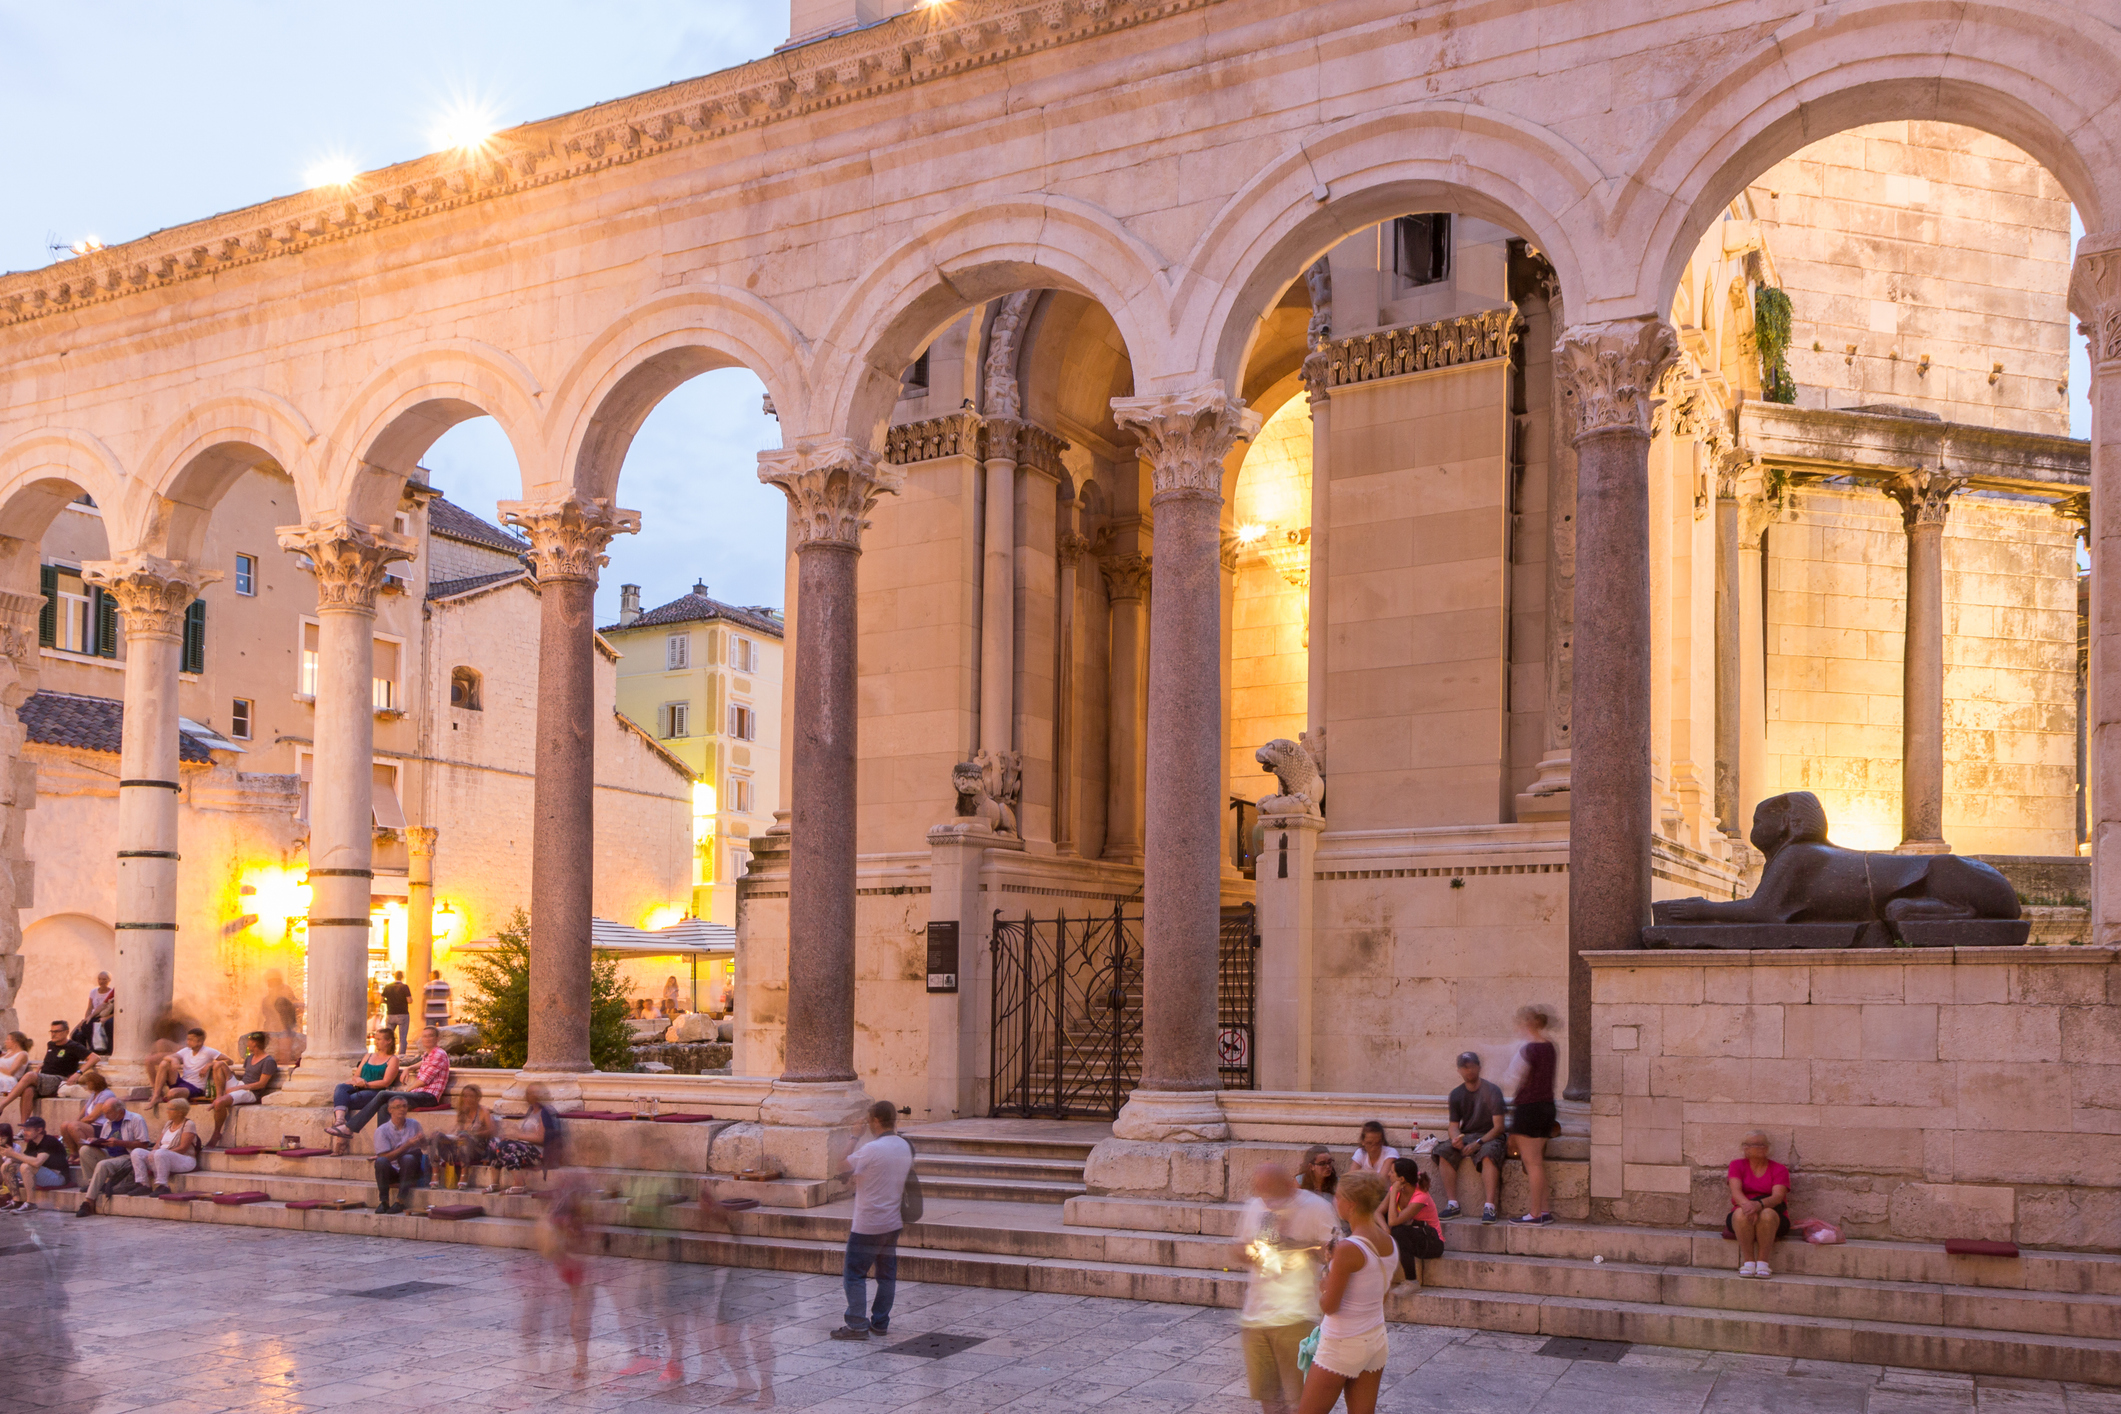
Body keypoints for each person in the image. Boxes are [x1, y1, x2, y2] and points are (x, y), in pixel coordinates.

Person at [1234, 1162, 1336, 1414]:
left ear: (1290, 1185)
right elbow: (1238, 1246)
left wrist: (1294, 1245)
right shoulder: (1256, 1206)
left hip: (1297, 1316)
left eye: (1271, 1192)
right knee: (1268, 1396)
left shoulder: (1316, 1208)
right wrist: (1249, 1254)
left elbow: (1335, 1252)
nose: (1266, 1200)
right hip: (1256, 1317)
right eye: (1260, 1192)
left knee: (1302, 1398)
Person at [1296, 1170, 1397, 1414]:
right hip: (1375, 1340)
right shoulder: (1388, 1242)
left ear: (1350, 1205)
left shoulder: (1347, 1248)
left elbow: (1329, 1305)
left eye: (1338, 1197)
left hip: (1342, 1342)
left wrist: (1325, 1284)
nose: (1334, 1201)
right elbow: (1379, 1294)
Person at [831, 1099, 912, 1341]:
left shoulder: (871, 1149)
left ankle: (856, 1324)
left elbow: (840, 1165)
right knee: (886, 1275)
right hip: (892, 1221)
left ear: (875, 1121)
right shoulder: (904, 1146)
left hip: (868, 1224)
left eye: (869, 1121)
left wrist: (854, 1137)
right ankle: (880, 1322)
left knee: (854, 1273)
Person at [1500, 1005, 1560, 1226]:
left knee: (1532, 1163)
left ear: (1528, 1023)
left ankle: (1535, 1214)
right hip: (1547, 1107)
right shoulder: (1551, 1047)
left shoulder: (1527, 1049)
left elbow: (1512, 1078)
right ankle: (1543, 1210)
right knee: (1537, 1162)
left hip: (1529, 1108)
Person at [1435, 1050, 1506, 1223]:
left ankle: (1489, 1207)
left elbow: (1499, 1127)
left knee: (1489, 1154)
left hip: (1490, 1136)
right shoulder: (1456, 1094)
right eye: (1464, 1068)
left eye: (1471, 1067)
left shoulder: (1492, 1091)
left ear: (1479, 1067)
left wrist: (1479, 1143)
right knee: (1443, 1151)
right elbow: (1453, 1126)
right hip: (1468, 1135)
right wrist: (1456, 1139)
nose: (1468, 1071)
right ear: (1459, 1070)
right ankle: (1453, 1204)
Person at [341, 1026, 449, 1136]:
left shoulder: (438, 1054)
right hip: (419, 1095)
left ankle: (350, 1128)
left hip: (428, 1097)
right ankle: (384, 1146)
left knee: (383, 1094)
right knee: (384, 1107)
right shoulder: (429, 1054)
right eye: (424, 1036)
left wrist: (406, 1091)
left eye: (430, 1036)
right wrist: (409, 1068)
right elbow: (424, 1063)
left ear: (437, 1038)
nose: (427, 1039)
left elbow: (423, 1081)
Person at [1728, 1131, 1792, 1279]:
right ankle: (1749, 1262)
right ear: (1745, 1148)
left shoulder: (1779, 1169)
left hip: (1773, 1214)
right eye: (1755, 1144)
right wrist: (1748, 1207)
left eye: (1763, 1144)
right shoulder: (1736, 1165)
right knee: (1740, 1214)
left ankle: (1763, 1263)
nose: (1760, 1148)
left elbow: (1777, 1197)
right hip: (1743, 1211)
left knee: (1767, 1215)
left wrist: (1758, 1205)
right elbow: (1735, 1192)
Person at [3, 1021, 89, 1124]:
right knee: (28, 1091)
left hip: (59, 1079)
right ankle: (24, 1127)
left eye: (57, 1031)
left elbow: (94, 1058)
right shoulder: (51, 1044)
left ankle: (2, 1105)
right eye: (52, 1031)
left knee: (30, 1075)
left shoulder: (73, 1046)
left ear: (66, 1032)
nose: (53, 1034)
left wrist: (78, 1072)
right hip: (45, 1080)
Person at [74, 1102, 150, 1214]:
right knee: (84, 1150)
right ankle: (94, 1184)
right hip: (110, 1154)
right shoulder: (108, 1122)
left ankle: (89, 1202)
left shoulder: (136, 1119)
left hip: (128, 1157)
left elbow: (144, 1145)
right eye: (103, 1113)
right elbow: (104, 1140)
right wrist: (96, 1141)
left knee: (103, 1164)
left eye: (108, 1112)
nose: (105, 1116)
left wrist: (120, 1143)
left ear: (119, 1111)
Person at [206, 1033, 280, 1147]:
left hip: (251, 1093)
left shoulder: (268, 1061)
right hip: (242, 1085)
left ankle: (216, 1133)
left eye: (249, 1042)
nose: (247, 1044)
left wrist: (238, 1088)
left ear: (254, 1043)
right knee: (219, 1065)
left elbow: (261, 1084)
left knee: (220, 1104)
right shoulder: (249, 1057)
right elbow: (246, 1076)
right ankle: (218, 1097)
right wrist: (231, 1078)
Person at [325, 1029, 401, 1141]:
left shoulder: (393, 1059)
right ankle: (340, 1120)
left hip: (375, 1091)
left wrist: (365, 1084)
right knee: (341, 1087)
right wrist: (358, 1080)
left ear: (389, 1041)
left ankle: (342, 1138)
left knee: (347, 1099)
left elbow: (386, 1082)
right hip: (359, 1086)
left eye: (379, 1039)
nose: (376, 1042)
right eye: (376, 1039)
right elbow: (356, 1076)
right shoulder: (368, 1056)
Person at [491, 1083, 564, 1186]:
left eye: (534, 1093)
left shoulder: (545, 1112)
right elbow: (526, 1134)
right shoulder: (530, 1111)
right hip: (526, 1147)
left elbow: (541, 1138)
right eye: (529, 1093)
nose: (530, 1095)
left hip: (539, 1153)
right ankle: (495, 1183)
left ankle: (519, 1183)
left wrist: (515, 1136)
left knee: (504, 1147)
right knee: (495, 1142)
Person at [1383, 1158, 1445, 1277]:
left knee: (1397, 1231)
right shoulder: (1397, 1188)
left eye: (1391, 1172)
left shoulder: (1420, 1197)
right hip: (1415, 1234)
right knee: (1381, 1225)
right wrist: (1385, 1228)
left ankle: (1411, 1281)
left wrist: (1394, 1191)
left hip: (1432, 1243)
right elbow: (1378, 1213)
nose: (1388, 1174)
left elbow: (1393, 1221)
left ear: (1401, 1179)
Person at [130, 1099, 202, 1196]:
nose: (167, 1111)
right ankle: (143, 1184)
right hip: (161, 1156)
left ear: (180, 1112)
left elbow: (183, 1148)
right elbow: (158, 1143)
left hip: (184, 1159)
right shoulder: (168, 1123)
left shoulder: (188, 1124)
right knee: (136, 1152)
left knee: (161, 1153)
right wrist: (153, 1152)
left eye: (170, 1109)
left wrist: (161, 1153)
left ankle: (163, 1186)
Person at [371, 1095, 429, 1214]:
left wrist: (423, 1140)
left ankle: (400, 1201)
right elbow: (385, 1157)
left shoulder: (414, 1124)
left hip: (411, 1168)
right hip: (391, 1170)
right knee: (380, 1162)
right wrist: (407, 1145)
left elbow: (424, 1147)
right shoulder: (382, 1130)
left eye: (404, 1106)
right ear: (390, 1110)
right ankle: (384, 1202)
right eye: (397, 1107)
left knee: (408, 1158)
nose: (402, 1109)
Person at [0, 1115, 73, 1209]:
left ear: (39, 1130)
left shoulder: (49, 1141)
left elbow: (37, 1162)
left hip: (58, 1177)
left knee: (26, 1167)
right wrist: (9, 1156)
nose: (24, 1132)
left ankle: (31, 1203)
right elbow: (25, 1158)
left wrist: (14, 1154)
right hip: (43, 1173)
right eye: (24, 1129)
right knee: (7, 1166)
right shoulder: (32, 1142)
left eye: (28, 1130)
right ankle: (16, 1200)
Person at [434, 1084, 495, 1190]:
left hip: (476, 1149)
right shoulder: (462, 1111)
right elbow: (457, 1130)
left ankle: (464, 1174)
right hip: (459, 1146)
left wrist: (474, 1133)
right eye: (465, 1096)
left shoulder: (483, 1111)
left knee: (464, 1137)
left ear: (477, 1097)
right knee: (436, 1136)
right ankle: (434, 1174)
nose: (468, 1099)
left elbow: (491, 1131)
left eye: (471, 1096)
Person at [147, 1028, 225, 1107]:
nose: (188, 1042)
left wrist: (209, 1064)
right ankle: (157, 1095)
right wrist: (174, 1059)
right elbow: (167, 1057)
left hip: (195, 1087)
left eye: (191, 1040)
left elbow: (228, 1060)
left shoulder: (209, 1051)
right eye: (187, 1039)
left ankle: (171, 1096)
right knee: (164, 1063)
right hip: (182, 1082)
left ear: (200, 1041)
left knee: (172, 1093)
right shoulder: (186, 1050)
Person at [56, 1069, 120, 1164]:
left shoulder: (106, 1094)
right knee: (65, 1125)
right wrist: (75, 1121)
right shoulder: (94, 1094)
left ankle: (83, 1155)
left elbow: (92, 1117)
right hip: (91, 1125)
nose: (85, 1087)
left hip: (101, 1127)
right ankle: (74, 1154)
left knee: (74, 1126)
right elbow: (84, 1110)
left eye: (86, 1084)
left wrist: (76, 1124)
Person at [381, 972, 414, 1057]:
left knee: (388, 1036)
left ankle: (387, 1053)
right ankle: (401, 1056)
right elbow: (409, 1000)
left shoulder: (387, 987)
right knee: (402, 1037)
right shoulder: (404, 987)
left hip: (390, 1013)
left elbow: (381, 1000)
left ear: (394, 976)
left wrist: (389, 1002)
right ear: (402, 977)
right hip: (403, 1014)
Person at [81, 973, 115, 1056]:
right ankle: (93, 1050)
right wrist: (89, 1017)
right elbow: (103, 1005)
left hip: (110, 1016)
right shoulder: (94, 992)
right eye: (100, 979)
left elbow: (119, 1010)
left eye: (104, 979)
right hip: (99, 1015)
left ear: (109, 981)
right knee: (85, 1025)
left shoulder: (114, 991)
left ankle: (109, 1051)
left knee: (109, 1024)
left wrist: (106, 1018)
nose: (101, 981)